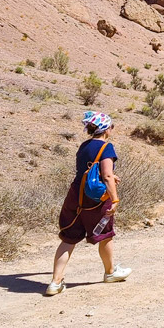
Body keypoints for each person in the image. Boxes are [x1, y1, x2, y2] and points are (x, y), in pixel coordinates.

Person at [47, 111, 131, 296]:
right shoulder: (107, 147)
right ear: (106, 129)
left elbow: (86, 170)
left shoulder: (84, 146)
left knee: (68, 239)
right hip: (95, 200)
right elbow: (107, 175)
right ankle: (110, 273)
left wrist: (107, 176)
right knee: (105, 235)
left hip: (75, 197)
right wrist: (115, 199)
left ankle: (55, 282)